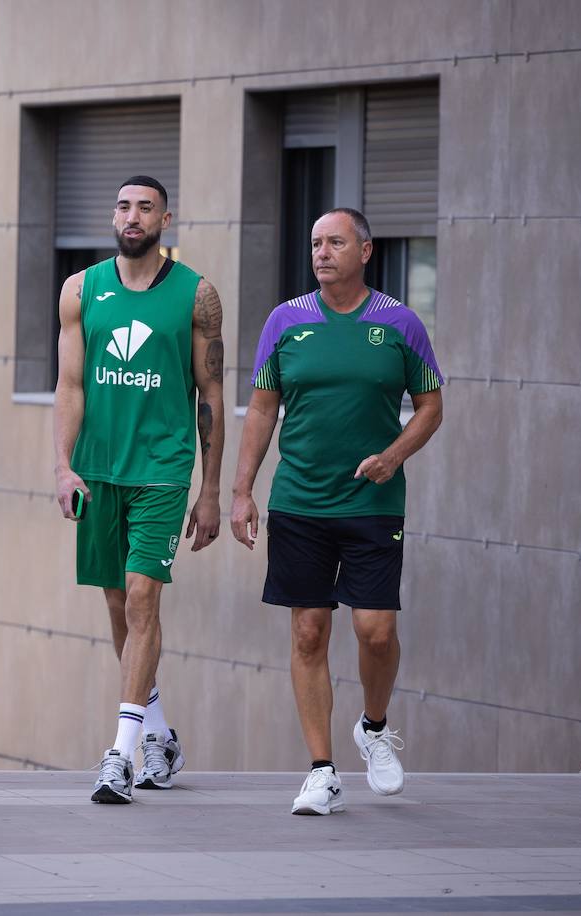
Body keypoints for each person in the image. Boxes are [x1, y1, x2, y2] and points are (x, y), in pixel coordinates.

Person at [230, 207, 442, 815]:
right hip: (299, 500)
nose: (322, 252)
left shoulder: (400, 323)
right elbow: (263, 409)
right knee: (308, 630)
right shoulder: (285, 321)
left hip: (373, 502)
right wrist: (242, 490)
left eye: (336, 242)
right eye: (317, 242)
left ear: (365, 251)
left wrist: (394, 455)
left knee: (376, 632)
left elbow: (431, 407)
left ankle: (373, 728)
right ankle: (322, 771)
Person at [54, 176, 225, 803]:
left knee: (144, 598)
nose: (132, 216)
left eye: (145, 207)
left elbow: (211, 399)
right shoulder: (80, 289)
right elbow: (70, 386)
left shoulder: (197, 296)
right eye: (123, 205)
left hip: (162, 469)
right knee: (118, 606)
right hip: (99, 471)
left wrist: (210, 492)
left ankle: (119, 756)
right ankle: (157, 732)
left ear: (165, 219)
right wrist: (62, 466)